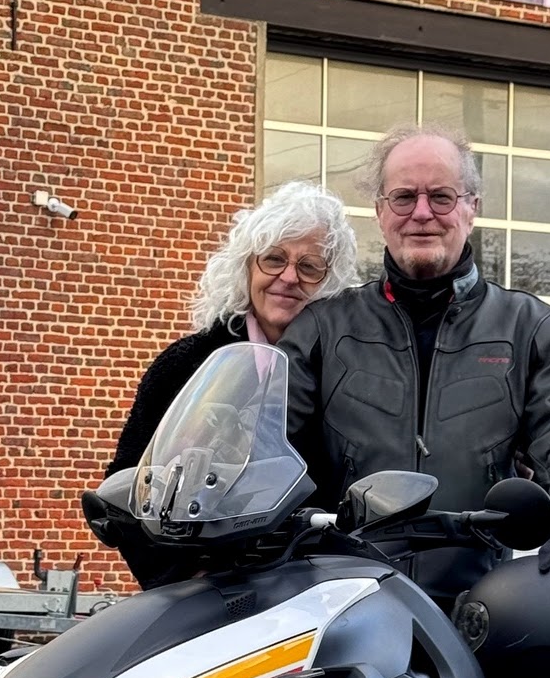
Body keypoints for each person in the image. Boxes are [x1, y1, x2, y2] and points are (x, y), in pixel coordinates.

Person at [280, 124, 550, 604]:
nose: (422, 214)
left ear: (471, 208)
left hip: (476, 607)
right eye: (404, 197)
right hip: (341, 602)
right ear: (380, 211)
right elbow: (267, 443)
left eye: (441, 197)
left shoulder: (533, 329)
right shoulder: (322, 327)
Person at [106, 182, 360, 477]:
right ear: (246, 268)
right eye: (273, 259)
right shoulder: (183, 364)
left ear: (331, 282)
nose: (289, 277)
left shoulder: (349, 372)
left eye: (309, 266)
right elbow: (126, 477)